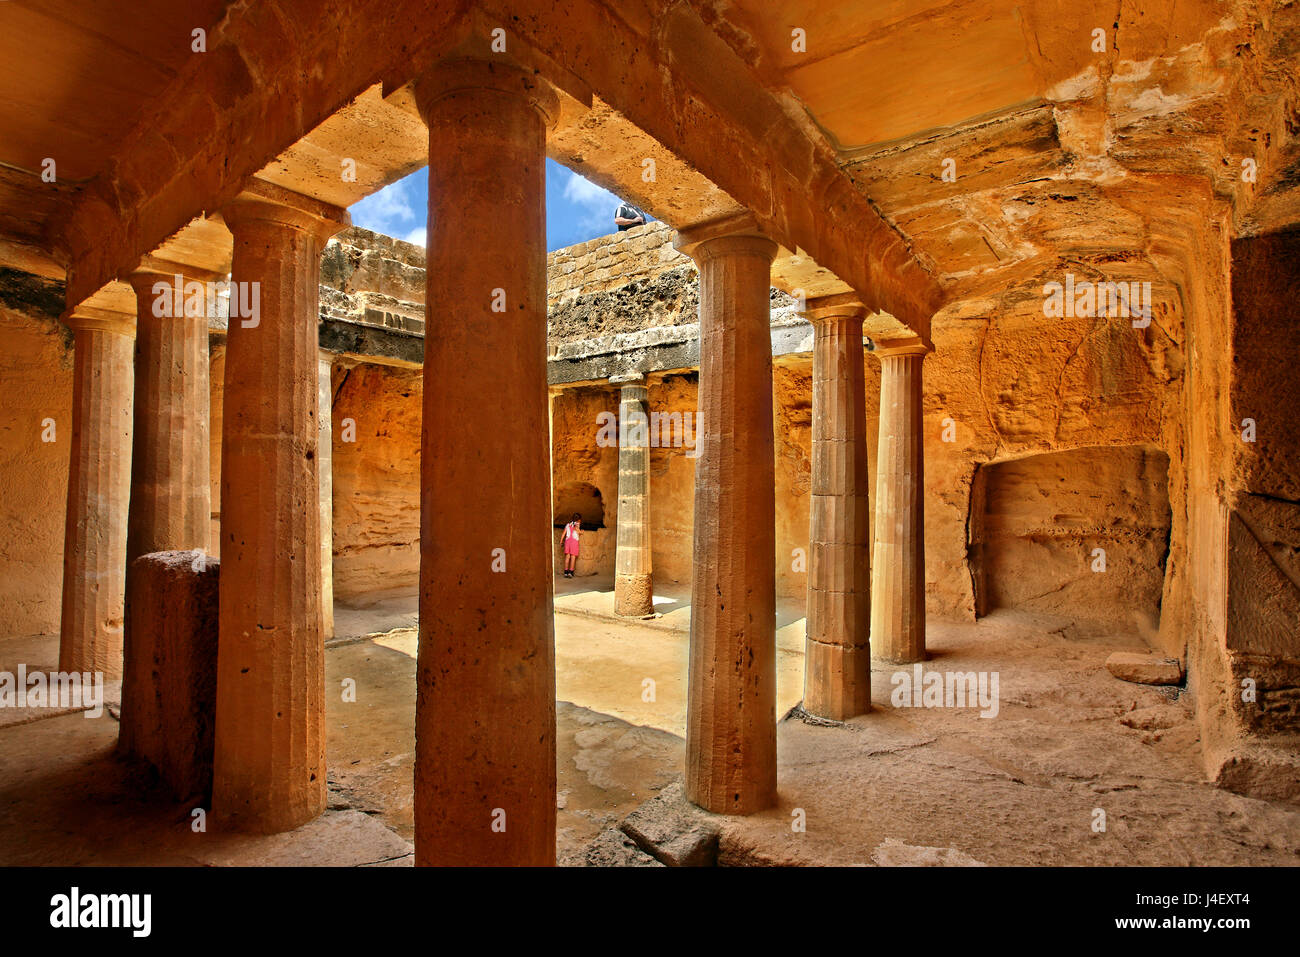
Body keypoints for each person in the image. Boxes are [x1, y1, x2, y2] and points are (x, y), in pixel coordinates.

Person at [561, 513, 582, 578]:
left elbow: (563, 533)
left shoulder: (567, 524)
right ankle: (570, 572)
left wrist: (561, 541)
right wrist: (582, 532)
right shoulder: (577, 524)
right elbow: (578, 532)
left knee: (567, 557)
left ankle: (565, 572)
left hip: (567, 542)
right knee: (573, 557)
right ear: (578, 520)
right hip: (574, 542)